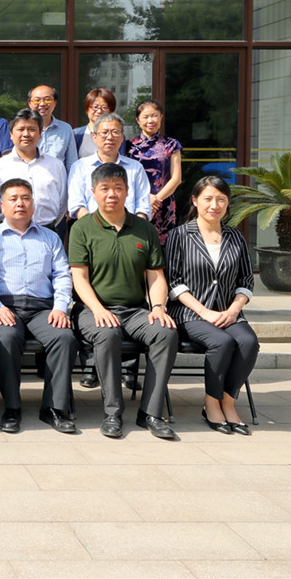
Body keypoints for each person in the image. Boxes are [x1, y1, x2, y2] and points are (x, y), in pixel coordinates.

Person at [70, 162, 178, 440]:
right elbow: (79, 278)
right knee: (107, 333)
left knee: (165, 332)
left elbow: (155, 276)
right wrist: (98, 309)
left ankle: (151, 413)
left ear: (128, 191)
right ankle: (113, 413)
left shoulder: (144, 229)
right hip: (92, 309)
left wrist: (158, 307)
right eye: (104, 188)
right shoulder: (82, 228)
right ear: (93, 192)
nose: (111, 194)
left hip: (135, 311)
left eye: (118, 188)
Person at [0, 178, 78, 435]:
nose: (20, 203)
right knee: (7, 337)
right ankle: (12, 407)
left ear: (33, 203)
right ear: (2, 205)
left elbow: (62, 275)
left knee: (64, 337)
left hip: (43, 308)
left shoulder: (50, 237)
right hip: (5, 306)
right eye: (13, 199)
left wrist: (60, 307)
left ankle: (53, 408)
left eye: (25, 198)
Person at [165, 176, 259, 435]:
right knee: (222, 342)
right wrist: (204, 311)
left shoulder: (236, 237)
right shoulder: (179, 235)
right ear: (195, 201)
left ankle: (227, 402)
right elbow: (174, 282)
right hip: (190, 312)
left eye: (221, 199)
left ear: (228, 203)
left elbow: (246, 281)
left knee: (248, 342)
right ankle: (211, 403)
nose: (214, 205)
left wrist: (234, 309)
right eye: (207, 198)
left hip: (228, 311)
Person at [0, 109, 67, 233]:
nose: (26, 134)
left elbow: (62, 204)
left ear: (40, 134)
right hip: (9, 233)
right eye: (21, 129)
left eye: (32, 129)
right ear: (11, 134)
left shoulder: (56, 165)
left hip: (47, 231)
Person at [67, 113, 153, 221]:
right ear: (94, 137)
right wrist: (93, 226)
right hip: (91, 228)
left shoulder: (136, 168)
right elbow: (76, 204)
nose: (110, 137)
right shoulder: (80, 167)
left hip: (130, 228)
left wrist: (133, 227)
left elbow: (143, 205)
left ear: (122, 137)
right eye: (104, 133)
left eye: (115, 132)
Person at [126, 100, 184, 242]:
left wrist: (156, 200)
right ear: (138, 120)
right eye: (145, 117)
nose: (150, 120)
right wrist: (147, 199)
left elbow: (176, 178)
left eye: (154, 115)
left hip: (164, 203)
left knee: (165, 244)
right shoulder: (128, 146)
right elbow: (126, 178)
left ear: (161, 117)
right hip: (136, 202)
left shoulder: (171, 144)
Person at [27, 84, 77, 175]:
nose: (42, 104)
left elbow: (71, 164)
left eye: (47, 99)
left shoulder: (66, 129)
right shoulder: (23, 130)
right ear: (30, 104)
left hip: (57, 180)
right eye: (37, 100)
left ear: (55, 102)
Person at [72, 88, 117, 159]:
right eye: (95, 107)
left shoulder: (117, 135)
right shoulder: (76, 134)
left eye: (104, 107)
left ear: (111, 110)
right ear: (87, 109)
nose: (99, 111)